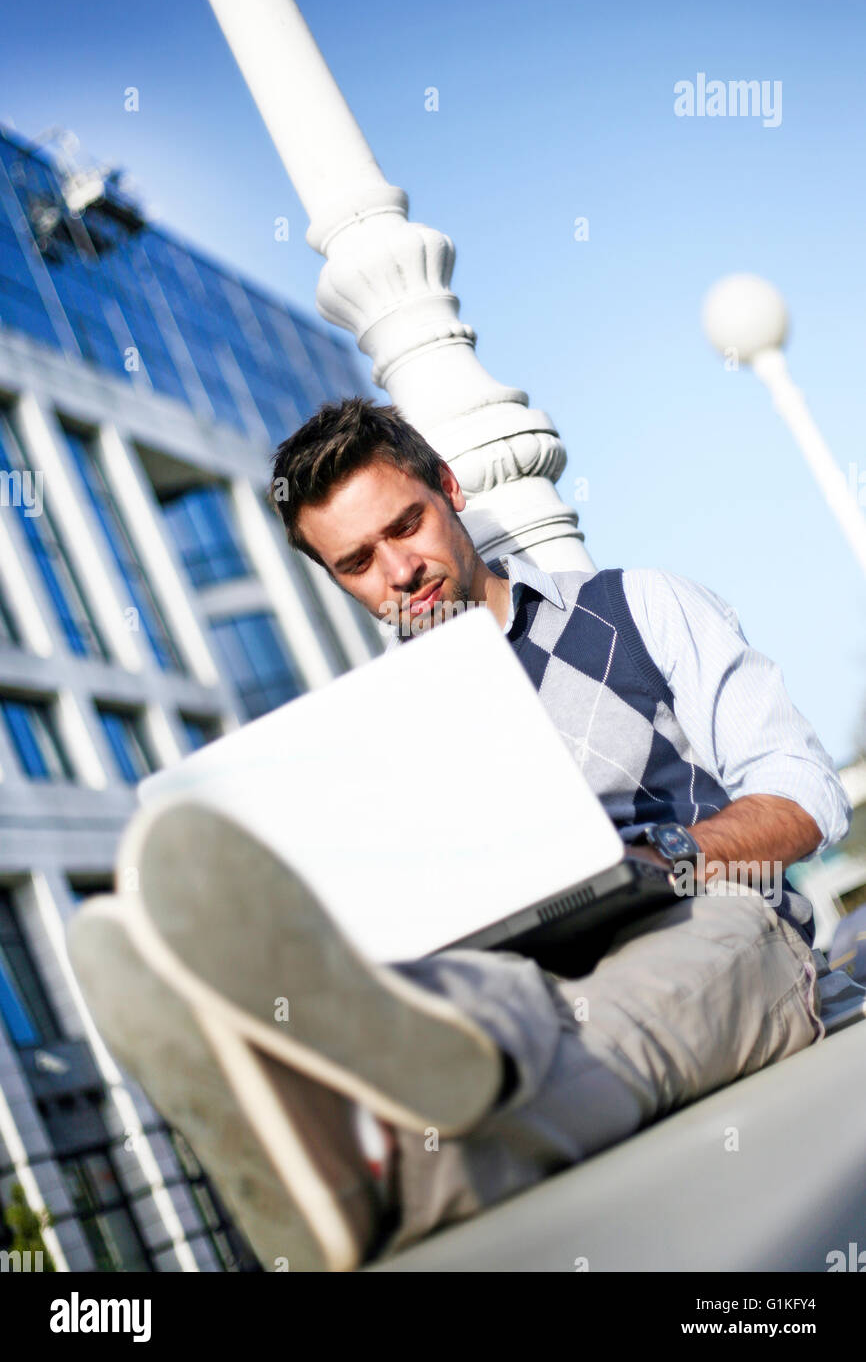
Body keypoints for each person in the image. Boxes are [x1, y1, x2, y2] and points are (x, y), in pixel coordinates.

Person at [68, 397, 853, 1273]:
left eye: (406, 525)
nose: (399, 572)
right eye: (359, 563)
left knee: (627, 1017)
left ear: (449, 489)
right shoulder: (371, 737)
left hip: (717, 925)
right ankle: (287, 1074)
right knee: (466, 996)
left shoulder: (637, 606)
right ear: (336, 581)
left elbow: (807, 793)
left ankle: (389, 1179)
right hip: (520, 972)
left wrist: (666, 857)